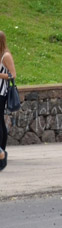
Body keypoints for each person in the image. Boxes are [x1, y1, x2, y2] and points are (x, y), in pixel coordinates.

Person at [0, 29, 15, 172]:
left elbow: (12, 75)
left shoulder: (6, 56)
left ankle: (2, 153)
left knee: (0, 123)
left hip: (1, 93)